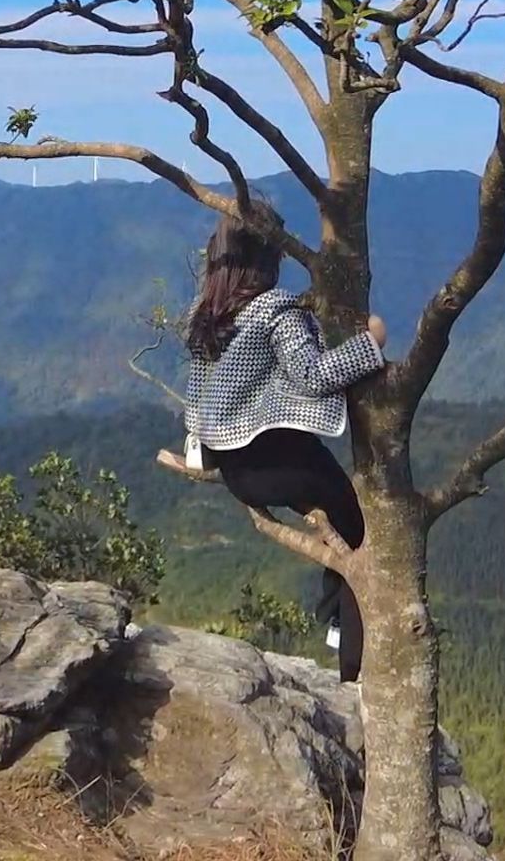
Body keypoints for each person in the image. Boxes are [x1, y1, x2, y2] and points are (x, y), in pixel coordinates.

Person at [182, 204, 387, 682]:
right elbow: (314, 376)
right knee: (361, 534)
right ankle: (352, 664)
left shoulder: (206, 311)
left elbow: (199, 393)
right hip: (279, 462)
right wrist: (372, 341)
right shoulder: (275, 310)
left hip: (237, 468)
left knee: (344, 522)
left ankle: (338, 618)